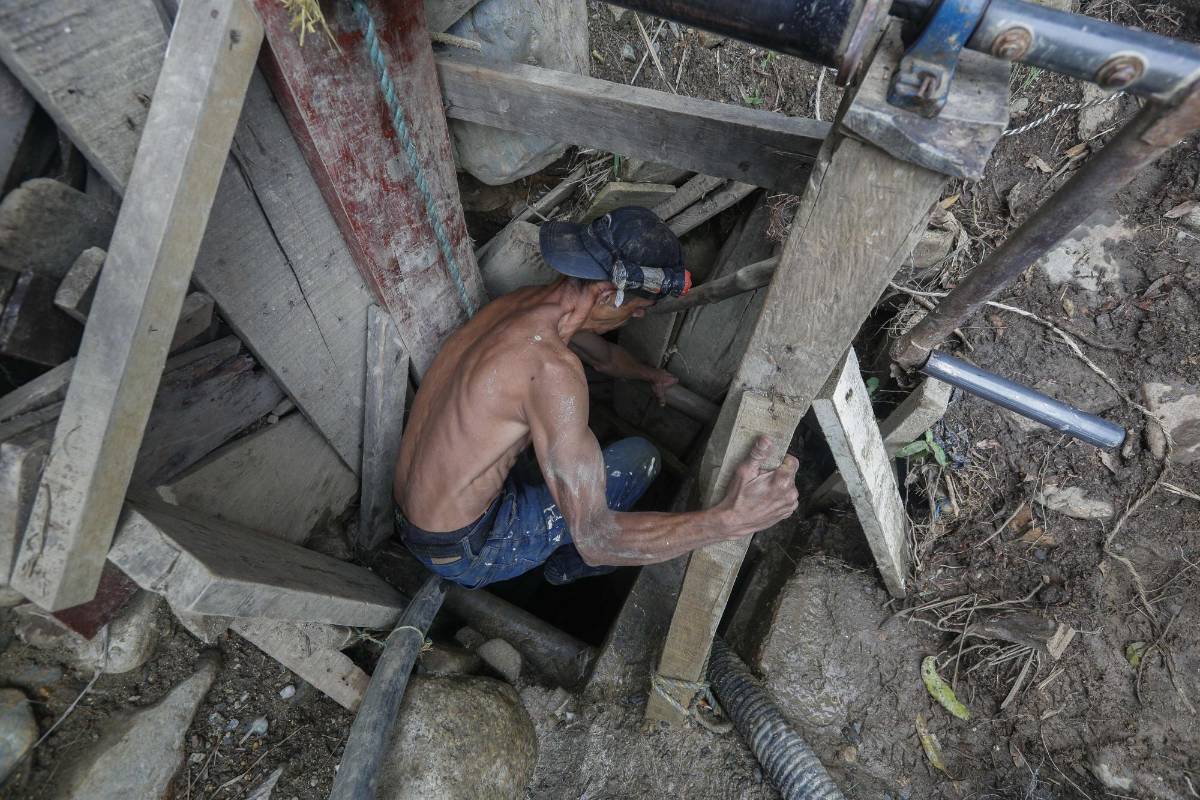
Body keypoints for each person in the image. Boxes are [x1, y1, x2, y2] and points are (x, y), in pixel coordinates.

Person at [393, 206, 799, 589]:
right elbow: (597, 537)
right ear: (607, 296)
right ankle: (562, 571)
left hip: (413, 514)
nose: (638, 316)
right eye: (638, 308)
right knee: (640, 457)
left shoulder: (521, 307)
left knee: (550, 456)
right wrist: (730, 519)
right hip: (467, 551)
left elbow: (603, 356)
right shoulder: (553, 372)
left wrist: (649, 375)